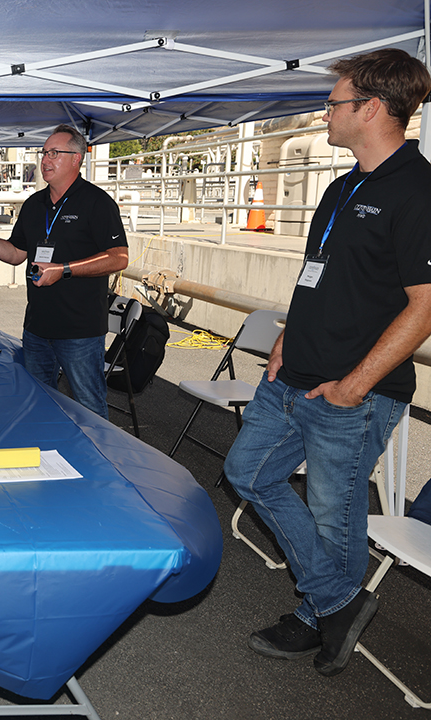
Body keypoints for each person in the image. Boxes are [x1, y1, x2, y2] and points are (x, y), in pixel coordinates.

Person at [225, 48, 431, 677]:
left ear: (371, 108)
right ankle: (338, 601)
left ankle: (321, 616)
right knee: (248, 473)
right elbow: (317, 275)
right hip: (295, 373)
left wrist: (353, 386)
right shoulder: (343, 186)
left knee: (331, 513)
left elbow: (425, 309)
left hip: (353, 391)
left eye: (335, 102)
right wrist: (286, 334)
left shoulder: (419, 192)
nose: (325, 113)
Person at [0, 124, 128, 418]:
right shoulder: (33, 204)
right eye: (43, 153)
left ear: (76, 158)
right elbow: (16, 254)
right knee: (36, 405)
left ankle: (98, 461)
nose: (45, 160)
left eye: (54, 153)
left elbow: (119, 258)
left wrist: (64, 270)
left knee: (89, 409)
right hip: (37, 329)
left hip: (79, 332)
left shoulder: (97, 202)